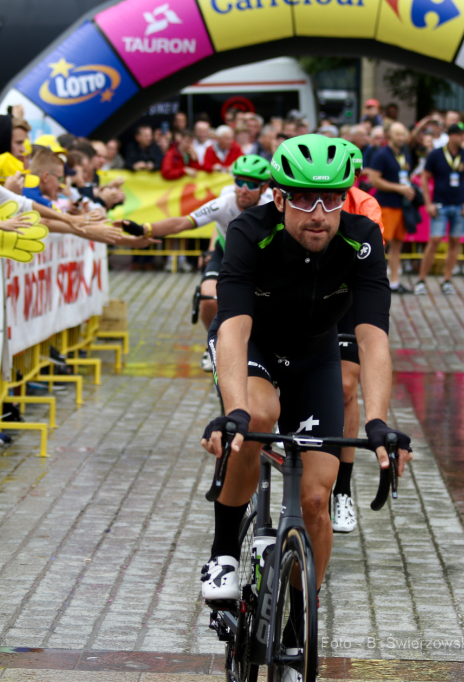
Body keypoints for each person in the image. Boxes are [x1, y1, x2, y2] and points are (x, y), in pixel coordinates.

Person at [198, 138, 413, 653]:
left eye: (333, 199)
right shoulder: (251, 232)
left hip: (314, 357)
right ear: (278, 195)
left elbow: (373, 337)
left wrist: (379, 422)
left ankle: (300, 617)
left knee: (317, 498)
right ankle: (225, 549)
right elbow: (231, 326)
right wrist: (233, 412)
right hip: (256, 348)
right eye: (303, 200)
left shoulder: (362, 239)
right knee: (258, 417)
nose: (319, 215)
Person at [128, 155, 273, 369]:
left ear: (264, 187)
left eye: (251, 184)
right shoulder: (224, 204)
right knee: (208, 297)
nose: (243, 188)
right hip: (225, 255)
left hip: (258, 261)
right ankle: (213, 345)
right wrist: (145, 229)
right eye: (239, 182)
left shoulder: (272, 207)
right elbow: (182, 223)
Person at [330, 141, 384, 533]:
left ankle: (343, 491)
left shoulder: (365, 206)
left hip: (348, 297)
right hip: (303, 292)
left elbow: (365, 258)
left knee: (348, 387)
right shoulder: (298, 198)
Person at [414, 123, 464, 294]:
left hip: (459, 204)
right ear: (450, 136)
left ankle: (447, 279)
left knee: (455, 242)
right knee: (434, 240)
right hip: (440, 204)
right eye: (458, 134)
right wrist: (428, 203)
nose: (462, 137)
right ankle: (421, 279)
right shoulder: (436, 155)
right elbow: (425, 179)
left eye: (463, 134)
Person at [366, 122, 416, 293]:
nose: (401, 137)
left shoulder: (405, 154)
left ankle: (394, 282)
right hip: (386, 204)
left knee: (398, 245)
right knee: (381, 245)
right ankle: (373, 282)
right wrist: (398, 188)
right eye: (397, 134)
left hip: (401, 205)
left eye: (403, 134)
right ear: (389, 135)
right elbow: (374, 180)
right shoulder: (381, 155)